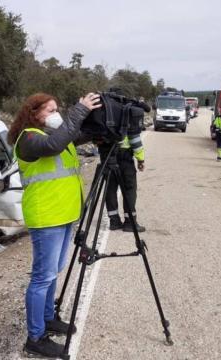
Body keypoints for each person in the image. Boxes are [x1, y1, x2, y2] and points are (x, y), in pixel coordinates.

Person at [8, 92, 101, 358]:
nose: (55, 115)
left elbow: (76, 135)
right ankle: (35, 337)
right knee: (42, 277)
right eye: (50, 111)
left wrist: (98, 121)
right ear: (34, 113)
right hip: (46, 216)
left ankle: (48, 317)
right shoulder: (28, 139)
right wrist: (79, 110)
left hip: (63, 215)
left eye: (56, 110)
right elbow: (54, 145)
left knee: (53, 272)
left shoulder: (58, 135)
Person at [98, 92, 150, 232]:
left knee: (110, 190)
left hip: (106, 156)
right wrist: (141, 159)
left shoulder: (104, 110)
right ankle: (130, 222)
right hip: (125, 158)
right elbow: (134, 139)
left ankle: (114, 221)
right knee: (129, 189)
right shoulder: (127, 110)